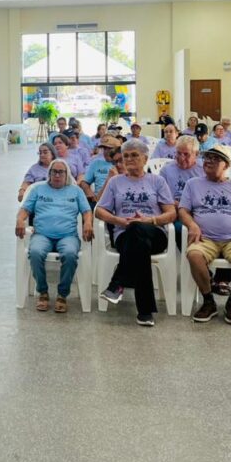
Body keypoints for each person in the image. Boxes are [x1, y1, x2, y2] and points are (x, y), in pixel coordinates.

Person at [96, 140, 177, 326]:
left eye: (134, 155)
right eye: (126, 156)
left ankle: (117, 283)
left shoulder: (157, 181)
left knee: (138, 229)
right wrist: (119, 221)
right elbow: (99, 211)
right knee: (138, 243)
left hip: (154, 233)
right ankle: (145, 311)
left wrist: (149, 220)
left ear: (145, 158)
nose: (129, 159)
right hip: (124, 234)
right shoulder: (116, 182)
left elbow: (171, 213)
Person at [180, 147, 231, 325]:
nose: (208, 161)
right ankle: (208, 301)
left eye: (215, 159)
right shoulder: (193, 184)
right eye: (207, 157)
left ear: (226, 165)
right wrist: (192, 225)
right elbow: (183, 210)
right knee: (194, 255)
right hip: (205, 238)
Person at [15, 158, 92, 314]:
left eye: (60, 172)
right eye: (53, 172)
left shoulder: (76, 191)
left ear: (67, 174)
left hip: (68, 235)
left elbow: (86, 211)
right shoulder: (38, 190)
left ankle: (62, 294)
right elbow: (25, 209)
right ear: (49, 173)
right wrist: (20, 220)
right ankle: (42, 292)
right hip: (42, 234)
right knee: (35, 253)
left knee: (70, 255)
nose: (57, 175)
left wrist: (88, 223)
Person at [159, 136, 204, 248]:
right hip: (176, 212)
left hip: (199, 212)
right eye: (178, 153)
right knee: (180, 230)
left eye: (186, 154)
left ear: (196, 154)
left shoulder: (204, 169)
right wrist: (179, 205)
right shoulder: (166, 170)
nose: (181, 158)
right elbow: (162, 197)